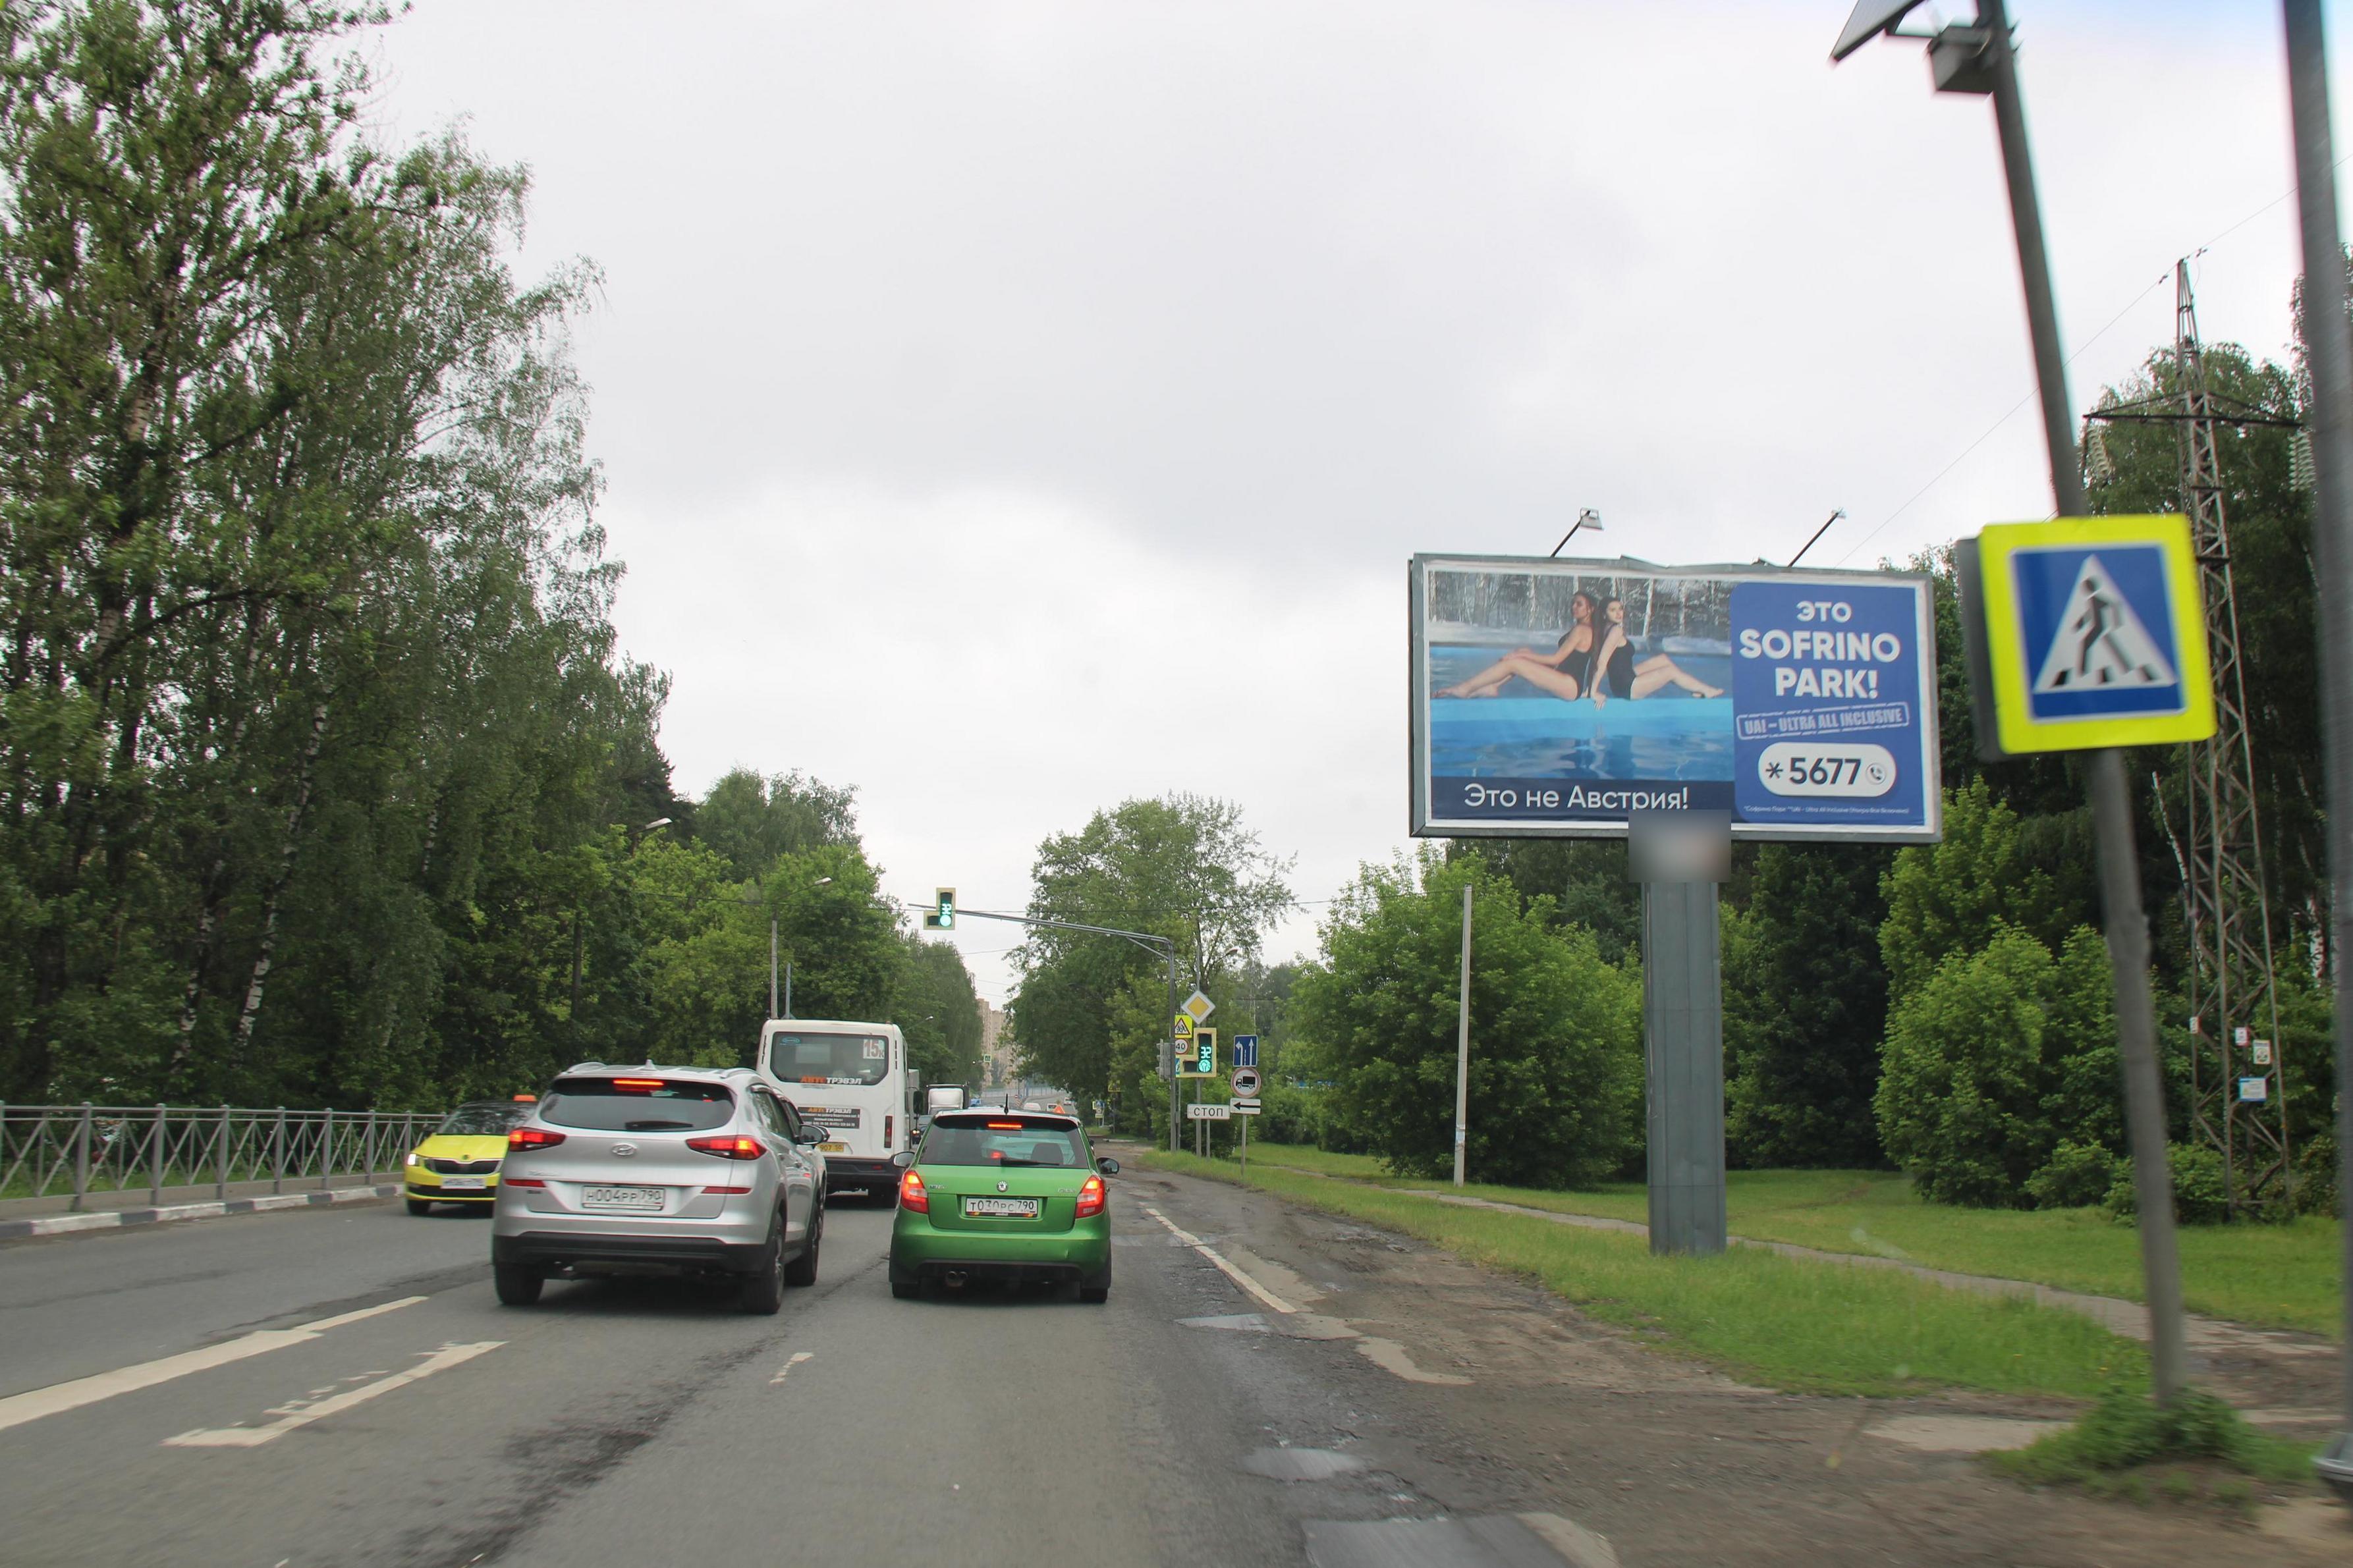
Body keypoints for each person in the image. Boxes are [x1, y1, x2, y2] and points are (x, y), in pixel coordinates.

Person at [1436, 592, 1604, 700]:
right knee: (1523, 652)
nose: (1573, 607)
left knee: (1515, 662)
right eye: (1573, 603)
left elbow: (1556, 659)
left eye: (1579, 604)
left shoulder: (1582, 630)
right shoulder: (1582, 628)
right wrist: (1523, 654)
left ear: (1590, 610)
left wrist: (1520, 658)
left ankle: (1464, 689)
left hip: (1570, 685)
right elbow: (1556, 662)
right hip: (1565, 679)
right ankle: (1493, 686)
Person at [1590, 597, 1723, 705]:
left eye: (1620, 609)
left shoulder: (1605, 629)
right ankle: (1707, 690)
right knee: (1670, 672)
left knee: (1663, 660)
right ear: (1604, 614)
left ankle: (1698, 689)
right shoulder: (1616, 631)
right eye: (1613, 610)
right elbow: (1602, 661)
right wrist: (1593, 692)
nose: (1619, 613)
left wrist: (1590, 688)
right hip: (1627, 687)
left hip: (1623, 679)